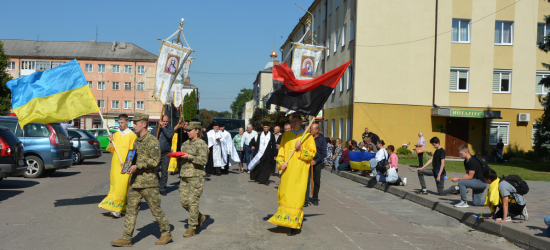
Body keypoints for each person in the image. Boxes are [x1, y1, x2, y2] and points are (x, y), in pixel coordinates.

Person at [110, 112, 172, 247]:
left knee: (156, 209)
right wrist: (126, 165)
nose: (134, 126)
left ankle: (166, 233)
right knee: (131, 210)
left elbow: (155, 161)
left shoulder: (152, 141)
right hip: (135, 181)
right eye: (133, 123)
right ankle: (126, 238)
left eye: (136, 123)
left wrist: (137, 166)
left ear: (144, 124)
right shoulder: (137, 141)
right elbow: (132, 158)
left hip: (148, 182)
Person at [268, 113, 316, 236]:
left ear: (301, 122)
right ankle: (284, 222)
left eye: (295, 121)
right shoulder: (286, 135)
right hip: (287, 171)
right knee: (285, 195)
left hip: (299, 172)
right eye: (291, 121)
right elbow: (281, 153)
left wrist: (301, 149)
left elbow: (311, 154)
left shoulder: (308, 136)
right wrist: (281, 164)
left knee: (296, 198)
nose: (293, 123)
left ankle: (294, 226)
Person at [99, 114, 137, 218]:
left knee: (122, 186)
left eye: (122, 123)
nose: (120, 125)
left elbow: (132, 152)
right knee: (115, 186)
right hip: (115, 164)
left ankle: (118, 209)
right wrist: (111, 142)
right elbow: (111, 150)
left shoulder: (132, 135)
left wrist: (127, 165)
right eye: (119, 123)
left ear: (127, 122)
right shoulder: (115, 135)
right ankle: (119, 207)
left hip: (125, 164)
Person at [177, 121, 209, 237]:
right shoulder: (185, 143)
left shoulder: (202, 144)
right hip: (185, 175)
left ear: (196, 130)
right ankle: (199, 217)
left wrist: (189, 156)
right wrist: (178, 156)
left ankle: (192, 228)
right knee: (184, 202)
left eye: (189, 130)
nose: (187, 132)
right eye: (186, 130)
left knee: (193, 202)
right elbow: (182, 160)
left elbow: (203, 161)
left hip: (197, 176)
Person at [150, 115, 181, 196]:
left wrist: (163, 127)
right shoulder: (155, 129)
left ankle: (162, 188)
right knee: (154, 170)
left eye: (167, 121)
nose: (165, 123)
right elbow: (150, 140)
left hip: (165, 153)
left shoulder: (170, 129)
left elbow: (169, 136)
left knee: (164, 171)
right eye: (164, 121)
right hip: (156, 153)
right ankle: (159, 183)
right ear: (160, 121)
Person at [304, 123, 327, 206]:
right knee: (306, 181)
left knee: (316, 181)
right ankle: (305, 200)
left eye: (312, 129)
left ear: (317, 130)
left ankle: (315, 197)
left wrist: (315, 161)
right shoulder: (308, 138)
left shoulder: (322, 140)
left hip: (317, 162)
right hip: (308, 161)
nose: (310, 131)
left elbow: (324, 153)